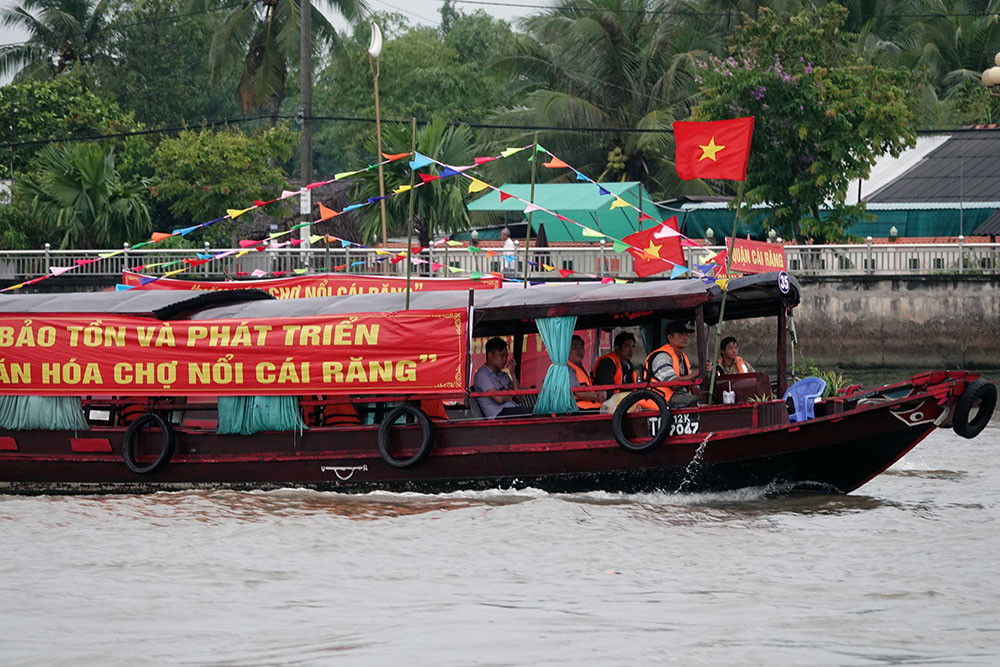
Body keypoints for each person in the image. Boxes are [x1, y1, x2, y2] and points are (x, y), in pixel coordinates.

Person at [645, 321, 700, 407]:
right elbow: (673, 384)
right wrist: (696, 374)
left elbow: (690, 382)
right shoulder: (661, 357)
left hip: (678, 395)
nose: (685, 338)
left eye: (685, 335)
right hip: (661, 398)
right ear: (670, 338)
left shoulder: (683, 358)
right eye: (680, 335)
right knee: (693, 401)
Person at [473, 337, 529, 418]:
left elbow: (520, 398)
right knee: (534, 414)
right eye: (501, 355)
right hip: (499, 415)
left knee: (539, 412)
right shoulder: (482, 375)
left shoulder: (503, 375)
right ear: (490, 356)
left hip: (513, 410)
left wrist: (513, 373)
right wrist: (511, 393)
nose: (505, 359)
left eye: (506, 356)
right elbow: (499, 398)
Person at [568, 335, 606, 409]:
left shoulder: (581, 367)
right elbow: (579, 393)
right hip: (577, 410)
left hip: (589, 407)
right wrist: (598, 396)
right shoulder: (567, 368)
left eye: (581, 347)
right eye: (574, 347)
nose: (580, 351)